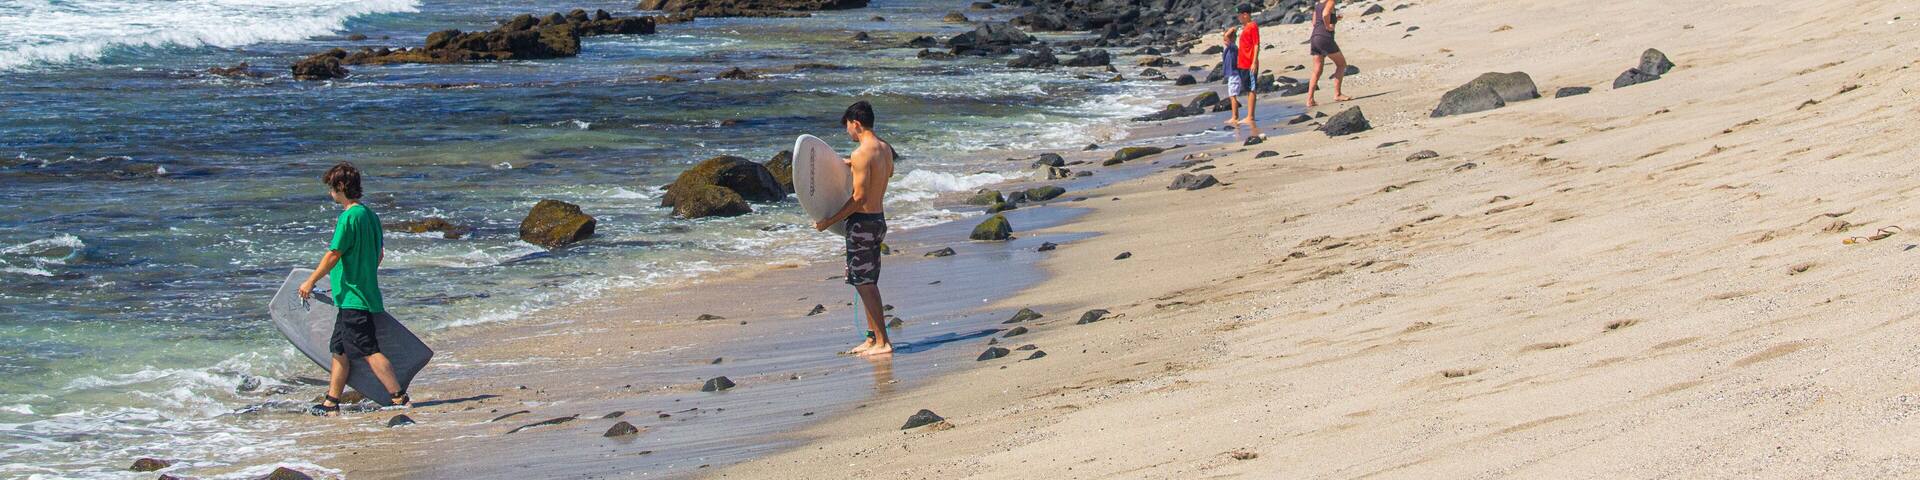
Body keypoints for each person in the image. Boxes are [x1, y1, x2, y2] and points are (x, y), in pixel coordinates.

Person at [299, 162, 410, 416]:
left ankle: (399, 397)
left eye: (331, 188)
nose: (330, 193)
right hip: (360, 294)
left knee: (369, 350)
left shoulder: (349, 217)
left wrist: (310, 281)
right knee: (339, 349)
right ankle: (331, 403)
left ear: (340, 187)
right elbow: (379, 254)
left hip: (353, 298)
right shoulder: (370, 215)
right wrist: (363, 273)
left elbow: (333, 254)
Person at [814, 101, 897, 357]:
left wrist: (828, 221)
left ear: (856, 123)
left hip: (862, 223)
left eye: (847, 127)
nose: (847, 132)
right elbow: (887, 173)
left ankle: (883, 343)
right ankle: (872, 339)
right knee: (865, 281)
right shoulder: (884, 149)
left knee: (865, 284)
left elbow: (859, 198)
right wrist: (852, 164)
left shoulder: (863, 153)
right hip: (878, 220)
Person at [1305, 0, 1352, 107]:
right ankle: (1337, 94)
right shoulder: (1330, 1)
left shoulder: (1317, 4)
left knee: (1317, 70)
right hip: (1325, 37)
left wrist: (1335, 20)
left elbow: (1314, 22)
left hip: (1314, 37)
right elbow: (1325, 14)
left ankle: (1310, 99)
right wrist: (1327, 26)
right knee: (1341, 64)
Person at [1232, 4, 1261, 127]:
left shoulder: (1252, 26)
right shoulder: (1244, 27)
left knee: (1251, 89)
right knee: (1248, 88)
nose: (1238, 17)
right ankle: (1249, 115)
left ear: (1245, 14)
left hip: (1250, 63)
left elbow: (1256, 45)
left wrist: (1254, 61)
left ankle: (1250, 116)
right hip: (1243, 63)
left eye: (1239, 15)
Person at [1221, 26, 1244, 126]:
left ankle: (1235, 117)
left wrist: (1232, 29)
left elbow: (1226, 36)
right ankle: (1235, 116)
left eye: (1227, 39)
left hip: (1235, 75)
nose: (1225, 41)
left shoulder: (1233, 47)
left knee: (1232, 96)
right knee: (1232, 96)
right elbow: (1225, 37)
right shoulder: (1229, 48)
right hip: (1233, 75)